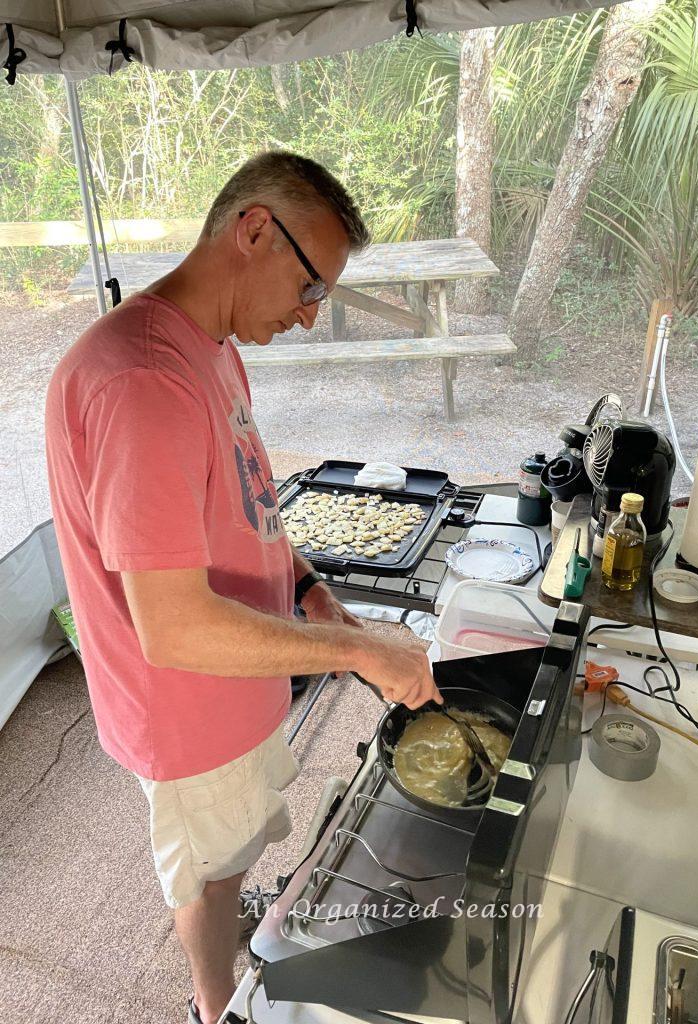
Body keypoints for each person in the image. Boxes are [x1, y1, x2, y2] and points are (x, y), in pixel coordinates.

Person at [45, 150, 442, 1024]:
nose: (308, 317)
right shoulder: (143, 379)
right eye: (310, 288)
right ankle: (215, 1003)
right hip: (186, 706)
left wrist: (307, 587)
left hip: (238, 680)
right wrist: (361, 648)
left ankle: (224, 945)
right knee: (207, 867)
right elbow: (174, 629)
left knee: (229, 850)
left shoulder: (211, 348)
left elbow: (248, 496)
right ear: (254, 228)